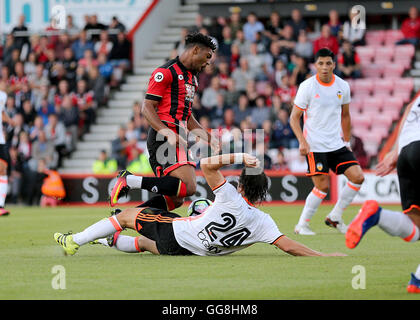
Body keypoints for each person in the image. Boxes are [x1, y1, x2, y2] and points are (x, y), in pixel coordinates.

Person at [53, 153, 345, 257]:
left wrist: (241, 156)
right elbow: (288, 246)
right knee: (142, 243)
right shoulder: (264, 222)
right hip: (190, 252)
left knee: (127, 215)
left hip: (178, 235)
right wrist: (323, 255)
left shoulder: (230, 194)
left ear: (241, 185)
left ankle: (74, 240)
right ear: (261, 195)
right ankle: (107, 241)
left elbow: (205, 164)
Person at [109, 33, 220, 211]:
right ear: (195, 50)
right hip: (164, 136)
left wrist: (208, 137)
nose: (208, 62)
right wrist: (167, 132)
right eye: (207, 57)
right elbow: (146, 107)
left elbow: (187, 116)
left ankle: (121, 220)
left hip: (178, 136)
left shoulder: (193, 79)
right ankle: (128, 180)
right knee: (189, 186)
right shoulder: (166, 72)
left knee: (175, 200)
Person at [345, 93, 420, 293]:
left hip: (406, 152)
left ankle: (378, 215)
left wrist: (396, 151)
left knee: (416, 225)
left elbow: (409, 109)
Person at [289, 48, 365, 235]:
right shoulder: (307, 86)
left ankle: (335, 216)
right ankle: (302, 225)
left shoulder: (342, 86)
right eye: (321, 63)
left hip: (336, 144)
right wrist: (302, 141)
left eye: (328, 63)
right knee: (322, 187)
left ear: (334, 65)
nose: (324, 67)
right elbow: (294, 117)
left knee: (358, 177)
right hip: (314, 145)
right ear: (315, 65)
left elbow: (345, 116)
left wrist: (346, 141)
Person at [0, 83, 14, 216]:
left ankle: (0, 205)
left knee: (3, 169)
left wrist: (9, 121)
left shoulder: (3, 95)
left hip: (1, 140)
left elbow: (2, 112)